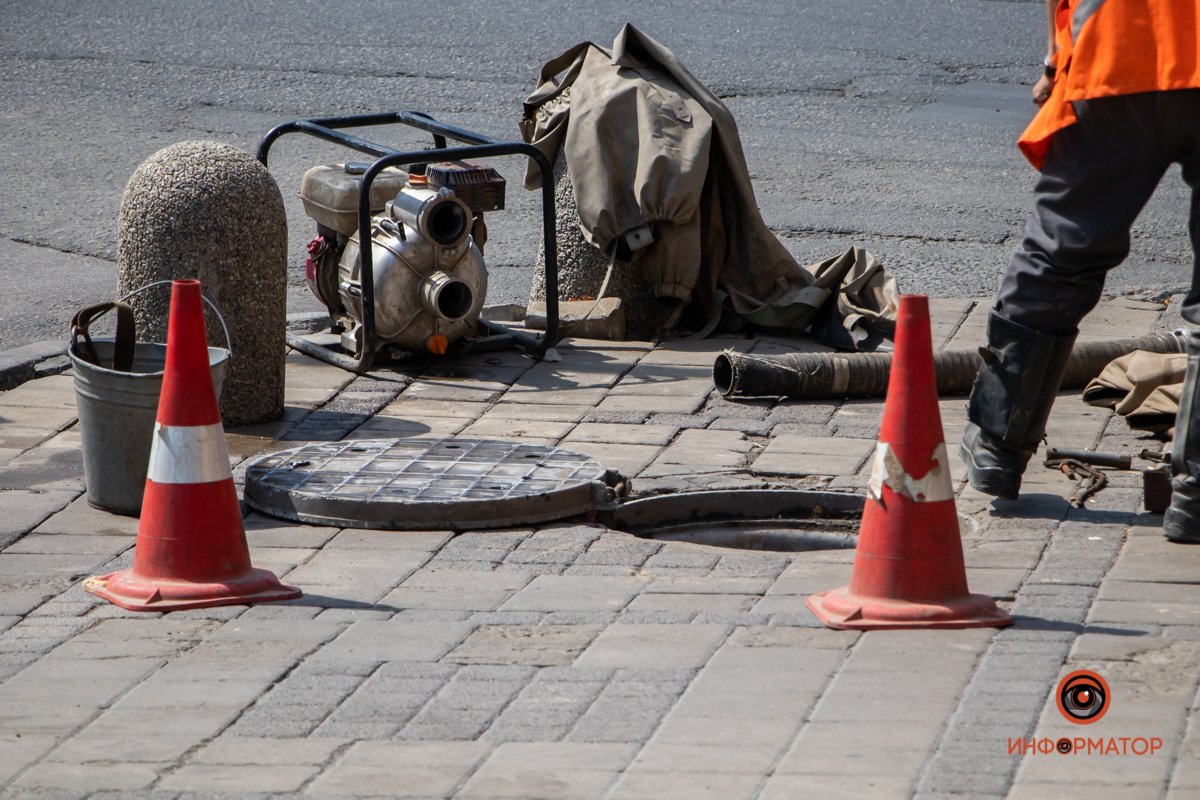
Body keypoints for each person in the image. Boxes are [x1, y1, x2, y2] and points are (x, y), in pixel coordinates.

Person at [959, 0, 1200, 542]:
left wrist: (1053, 62)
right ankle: (1198, 495)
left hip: (1125, 42)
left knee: (1064, 244)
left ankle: (1000, 442)